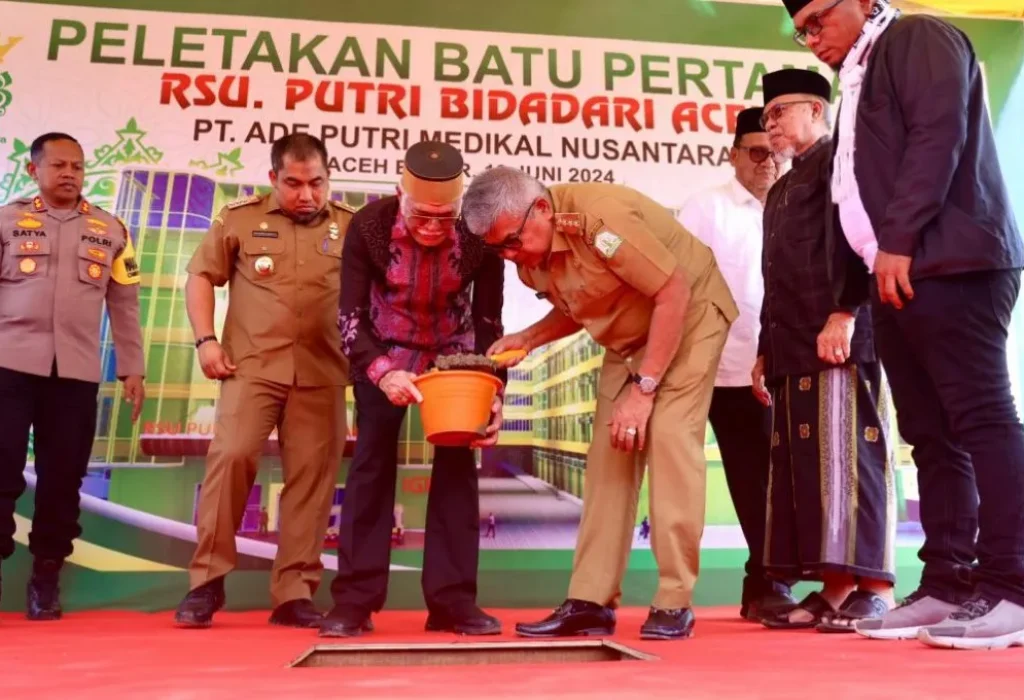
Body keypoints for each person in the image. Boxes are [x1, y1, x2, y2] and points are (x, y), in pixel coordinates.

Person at [785, 0, 1024, 649]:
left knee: (981, 420)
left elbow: (937, 135)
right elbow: (853, 190)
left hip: (953, 261)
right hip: (894, 275)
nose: (812, 39)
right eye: (800, 31)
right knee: (930, 435)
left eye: (817, 19)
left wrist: (898, 237)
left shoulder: (916, 37)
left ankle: (1013, 586)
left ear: (862, 1)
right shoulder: (856, 77)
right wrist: (853, 292)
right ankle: (949, 582)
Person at [464, 169, 739, 640]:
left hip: (690, 317)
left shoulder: (598, 219)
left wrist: (645, 390)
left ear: (543, 210)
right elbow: (577, 304)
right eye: (497, 250)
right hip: (629, 337)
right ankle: (590, 600)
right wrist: (528, 338)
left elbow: (673, 292)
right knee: (609, 456)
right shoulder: (529, 254)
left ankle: (674, 601)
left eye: (511, 242)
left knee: (670, 439)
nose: (509, 257)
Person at [319, 142, 506, 638]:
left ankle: (452, 603)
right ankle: (355, 602)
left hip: (453, 357)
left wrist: (494, 390)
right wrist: (381, 370)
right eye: (421, 215)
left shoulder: (478, 235)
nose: (431, 228)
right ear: (400, 195)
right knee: (371, 468)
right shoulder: (370, 225)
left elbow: (489, 321)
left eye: (444, 218)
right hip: (384, 351)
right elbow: (350, 316)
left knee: (456, 473)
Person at [174, 133, 354, 629]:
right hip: (250, 367)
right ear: (273, 178)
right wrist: (205, 340)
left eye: (316, 182)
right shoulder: (239, 219)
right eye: (293, 183)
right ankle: (206, 584)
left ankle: (293, 593)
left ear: (327, 178)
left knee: (312, 483)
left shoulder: (351, 228)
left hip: (322, 372)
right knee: (229, 460)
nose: (306, 195)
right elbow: (200, 276)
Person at [752, 68, 897, 633]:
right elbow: (775, 277)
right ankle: (835, 587)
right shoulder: (783, 187)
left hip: (840, 335)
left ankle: (877, 586)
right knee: (810, 469)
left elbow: (863, 245)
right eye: (765, 119)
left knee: (851, 460)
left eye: (779, 114)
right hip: (791, 346)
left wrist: (844, 313)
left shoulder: (845, 163)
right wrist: (765, 349)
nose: (771, 127)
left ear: (815, 109)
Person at [0, 132, 145, 620]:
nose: (69, 174)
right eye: (59, 165)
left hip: (76, 374)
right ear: (33, 169)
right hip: (8, 367)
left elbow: (124, 305)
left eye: (77, 167)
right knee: (0, 471)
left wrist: (132, 368)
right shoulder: (5, 221)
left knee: (63, 477)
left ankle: (46, 577)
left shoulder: (110, 229)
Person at [677, 107, 796, 623]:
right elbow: (679, 283)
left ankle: (765, 582)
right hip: (704, 365)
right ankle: (671, 593)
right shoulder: (705, 208)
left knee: (761, 483)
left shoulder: (798, 205)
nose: (767, 162)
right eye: (755, 152)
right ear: (733, 156)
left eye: (775, 152)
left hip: (766, 367)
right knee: (682, 480)